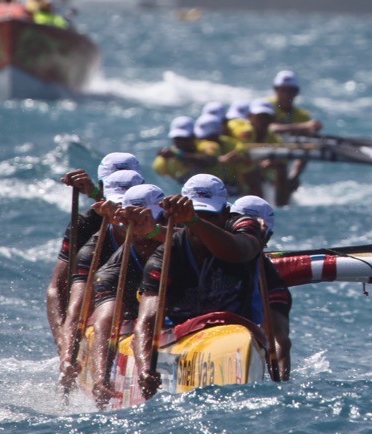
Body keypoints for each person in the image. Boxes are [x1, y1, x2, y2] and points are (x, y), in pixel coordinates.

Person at [129, 175, 285, 399]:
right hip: (184, 336)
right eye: (196, 215)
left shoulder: (245, 227)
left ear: (225, 214)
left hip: (239, 331)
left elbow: (241, 252)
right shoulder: (164, 256)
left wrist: (195, 221)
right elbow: (147, 320)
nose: (203, 221)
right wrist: (145, 368)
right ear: (180, 220)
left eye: (209, 216)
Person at [47, 152, 141, 382]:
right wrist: (65, 348)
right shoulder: (86, 227)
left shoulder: (155, 218)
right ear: (103, 187)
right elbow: (57, 289)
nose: (121, 209)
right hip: (102, 302)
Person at [83, 183, 168, 407]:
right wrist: (101, 378)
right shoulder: (112, 272)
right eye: (135, 222)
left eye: (149, 221)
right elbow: (105, 323)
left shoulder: (177, 236)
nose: (142, 228)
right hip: (134, 314)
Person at [231, 194, 292, 380]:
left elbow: (279, 339)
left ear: (267, 238)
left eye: (254, 231)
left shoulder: (270, 279)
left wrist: (279, 382)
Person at [153, 115, 217, 184]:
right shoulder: (164, 158)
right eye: (177, 138)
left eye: (184, 139)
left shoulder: (207, 146)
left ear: (193, 135)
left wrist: (179, 155)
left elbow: (209, 161)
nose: (180, 142)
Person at [269, 70, 322, 136]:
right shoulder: (265, 106)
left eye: (290, 91)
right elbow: (268, 128)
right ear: (275, 90)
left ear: (297, 92)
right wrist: (302, 127)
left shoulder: (303, 116)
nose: (286, 94)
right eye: (282, 90)